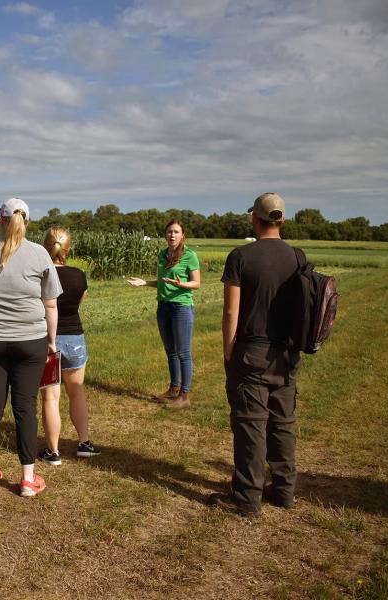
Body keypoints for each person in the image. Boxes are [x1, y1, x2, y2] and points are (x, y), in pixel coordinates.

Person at [208, 192, 302, 518]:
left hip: (251, 352)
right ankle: (284, 491)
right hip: (287, 354)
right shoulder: (297, 257)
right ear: (282, 220)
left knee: (250, 424)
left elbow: (231, 313)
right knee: (283, 422)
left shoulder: (241, 257)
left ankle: (247, 497)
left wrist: (228, 351)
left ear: (255, 219)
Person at [0, 198, 62, 497]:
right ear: (27, 222)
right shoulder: (39, 253)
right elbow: (50, 301)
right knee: (25, 407)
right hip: (30, 340)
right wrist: (50, 341)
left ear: (0, 220)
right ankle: (27, 478)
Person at [37, 227, 101, 465]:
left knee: (50, 398)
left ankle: (53, 452)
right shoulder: (78, 275)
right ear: (68, 248)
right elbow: (78, 303)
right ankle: (84, 442)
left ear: (44, 245)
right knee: (77, 393)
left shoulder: (40, 273)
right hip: (74, 338)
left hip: (47, 339)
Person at [127, 219, 201, 409]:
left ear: (182, 235)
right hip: (164, 307)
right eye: (169, 232)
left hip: (181, 307)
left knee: (183, 352)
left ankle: (184, 395)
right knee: (171, 351)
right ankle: (173, 389)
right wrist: (144, 282)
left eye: (176, 232)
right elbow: (162, 281)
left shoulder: (189, 255)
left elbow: (196, 283)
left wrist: (180, 285)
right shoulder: (162, 254)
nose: (172, 235)